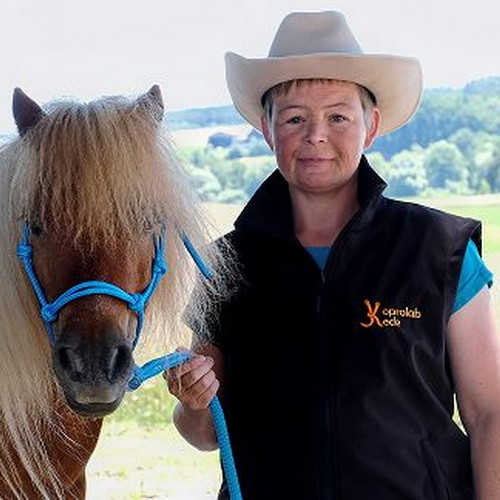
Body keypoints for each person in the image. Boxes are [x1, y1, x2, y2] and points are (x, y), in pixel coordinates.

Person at [165, 11, 500, 499]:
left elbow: (490, 413)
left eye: (338, 117)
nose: (316, 135)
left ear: (371, 126)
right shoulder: (223, 267)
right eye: (294, 118)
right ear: (267, 129)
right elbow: (203, 433)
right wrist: (194, 402)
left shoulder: (440, 248)